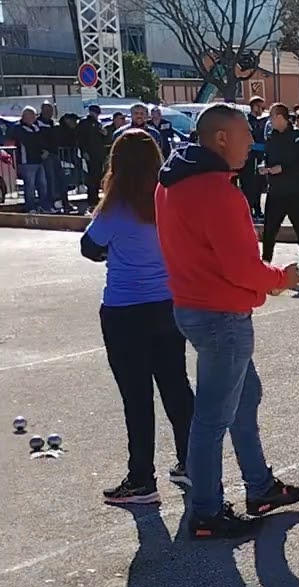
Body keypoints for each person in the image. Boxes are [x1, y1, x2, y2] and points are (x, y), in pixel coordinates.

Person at [155, 103, 299, 539]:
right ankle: (206, 512)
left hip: (192, 307)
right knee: (213, 418)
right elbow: (242, 268)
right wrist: (284, 278)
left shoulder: (170, 182)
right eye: (245, 136)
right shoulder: (218, 191)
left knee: (244, 399)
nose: (251, 144)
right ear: (221, 138)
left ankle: (259, 488)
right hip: (221, 315)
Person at [80, 129, 195, 505]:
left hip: (125, 309)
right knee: (176, 386)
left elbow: (89, 247)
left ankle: (142, 479)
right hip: (167, 304)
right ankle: (192, 462)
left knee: (137, 397)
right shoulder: (169, 200)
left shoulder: (116, 207)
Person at [259, 103, 299, 273]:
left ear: (280, 117)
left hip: (295, 191)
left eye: (272, 117)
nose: (270, 121)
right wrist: (264, 166)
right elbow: (267, 157)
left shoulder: (298, 136)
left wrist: (283, 168)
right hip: (275, 191)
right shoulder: (271, 137)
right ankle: (265, 262)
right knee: (269, 229)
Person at [9, 106, 49, 213]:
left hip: (39, 160)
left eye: (35, 115)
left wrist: (44, 150)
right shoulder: (18, 128)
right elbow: (27, 142)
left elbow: (40, 140)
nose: (34, 118)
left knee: (43, 184)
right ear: (25, 116)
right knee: (30, 186)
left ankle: (44, 206)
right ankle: (30, 207)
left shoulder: (36, 127)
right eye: (32, 115)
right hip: (26, 161)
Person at [76, 104, 110, 207]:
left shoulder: (97, 124)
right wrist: (84, 151)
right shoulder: (84, 123)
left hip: (98, 153)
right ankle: (92, 198)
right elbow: (80, 139)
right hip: (90, 153)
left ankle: (94, 198)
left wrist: (104, 134)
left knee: (97, 176)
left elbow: (103, 138)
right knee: (92, 177)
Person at [242, 96, 268, 220]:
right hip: (249, 159)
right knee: (249, 185)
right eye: (261, 107)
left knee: (258, 185)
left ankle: (258, 209)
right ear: (254, 106)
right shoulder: (248, 122)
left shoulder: (260, 122)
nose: (262, 110)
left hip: (259, 157)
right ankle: (249, 210)